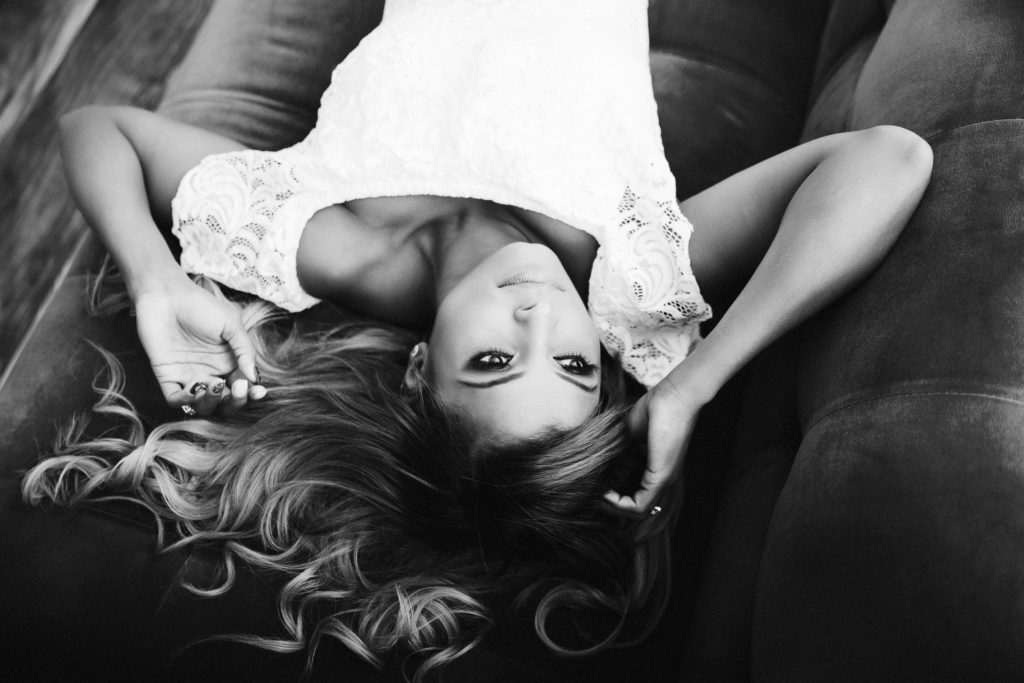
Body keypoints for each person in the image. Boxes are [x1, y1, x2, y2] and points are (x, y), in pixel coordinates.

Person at [24, 0, 933, 677]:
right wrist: (694, 383)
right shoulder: (627, 271)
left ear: (419, 369)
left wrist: (157, 281)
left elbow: (95, 129)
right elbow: (889, 158)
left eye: (493, 361)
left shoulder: (336, 243)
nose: (540, 318)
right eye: (575, 364)